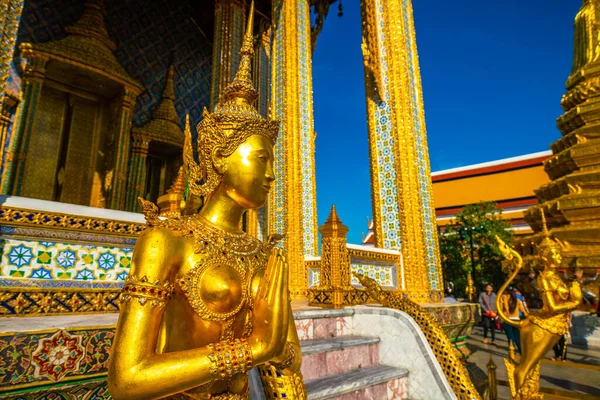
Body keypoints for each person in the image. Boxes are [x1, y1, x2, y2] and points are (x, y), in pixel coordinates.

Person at [107, 5, 305, 399]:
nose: (270, 175)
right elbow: (126, 380)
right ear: (219, 158)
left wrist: (278, 341)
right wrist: (254, 348)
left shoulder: (265, 256)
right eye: (261, 160)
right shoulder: (167, 241)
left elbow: (289, 359)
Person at [499, 287, 527, 354]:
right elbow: (522, 310)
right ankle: (522, 353)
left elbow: (500, 308)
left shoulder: (502, 298)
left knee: (510, 338)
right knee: (518, 339)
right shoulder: (517, 299)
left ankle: (512, 354)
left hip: (507, 320)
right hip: (516, 320)